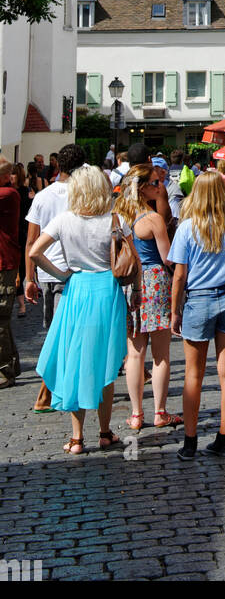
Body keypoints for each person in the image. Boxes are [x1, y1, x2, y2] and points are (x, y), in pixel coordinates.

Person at [30, 165, 132, 453]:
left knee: (76, 361)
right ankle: (104, 432)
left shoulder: (64, 220)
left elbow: (34, 251)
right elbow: (130, 259)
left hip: (77, 290)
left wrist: (62, 274)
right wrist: (135, 291)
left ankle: (76, 438)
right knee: (105, 364)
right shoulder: (116, 220)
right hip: (107, 291)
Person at [169, 171, 225, 460]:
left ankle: (190, 441)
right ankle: (224, 438)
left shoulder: (187, 228)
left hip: (199, 300)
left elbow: (179, 275)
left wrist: (174, 310)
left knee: (194, 374)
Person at [24, 143, 88, 412]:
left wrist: (29, 278)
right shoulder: (84, 195)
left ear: (58, 165)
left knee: (54, 332)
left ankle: (53, 389)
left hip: (45, 270)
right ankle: (49, 390)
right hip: (71, 271)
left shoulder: (43, 196)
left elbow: (31, 241)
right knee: (65, 335)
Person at [117, 165, 181, 430]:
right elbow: (167, 258)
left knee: (134, 354)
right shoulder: (152, 219)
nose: (160, 186)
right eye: (155, 183)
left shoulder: (119, 216)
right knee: (161, 354)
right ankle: (160, 411)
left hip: (130, 283)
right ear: (142, 187)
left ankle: (135, 414)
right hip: (154, 280)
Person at [0, 159, 21, 388]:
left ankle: (4, 370)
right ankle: (11, 364)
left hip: (4, 263)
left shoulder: (7, 193)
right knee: (3, 320)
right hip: (4, 262)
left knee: (0, 319)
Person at [14, 163, 29, 317]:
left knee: (21, 270)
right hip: (11, 235)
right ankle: (21, 304)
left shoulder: (24, 193)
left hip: (22, 233)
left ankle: (20, 302)